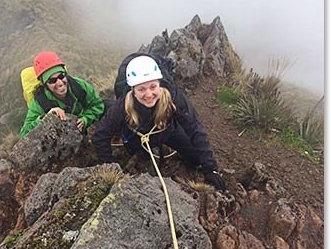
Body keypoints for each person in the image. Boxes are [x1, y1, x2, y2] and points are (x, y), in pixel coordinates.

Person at [92, 55, 226, 191]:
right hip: (135, 136)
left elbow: (195, 128)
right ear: (132, 90)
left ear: (159, 83)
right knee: (140, 152)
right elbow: (100, 136)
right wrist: (111, 168)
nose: (149, 94)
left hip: (166, 131)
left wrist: (211, 169)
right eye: (141, 89)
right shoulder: (123, 106)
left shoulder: (174, 97)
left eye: (153, 86)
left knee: (196, 157)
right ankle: (107, 106)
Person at [19, 51, 104, 138]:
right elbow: (23, 134)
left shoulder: (78, 86)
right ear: (45, 85)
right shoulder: (40, 102)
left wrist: (85, 119)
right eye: (52, 80)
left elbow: (97, 105)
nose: (60, 83)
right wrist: (45, 118)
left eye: (61, 76)